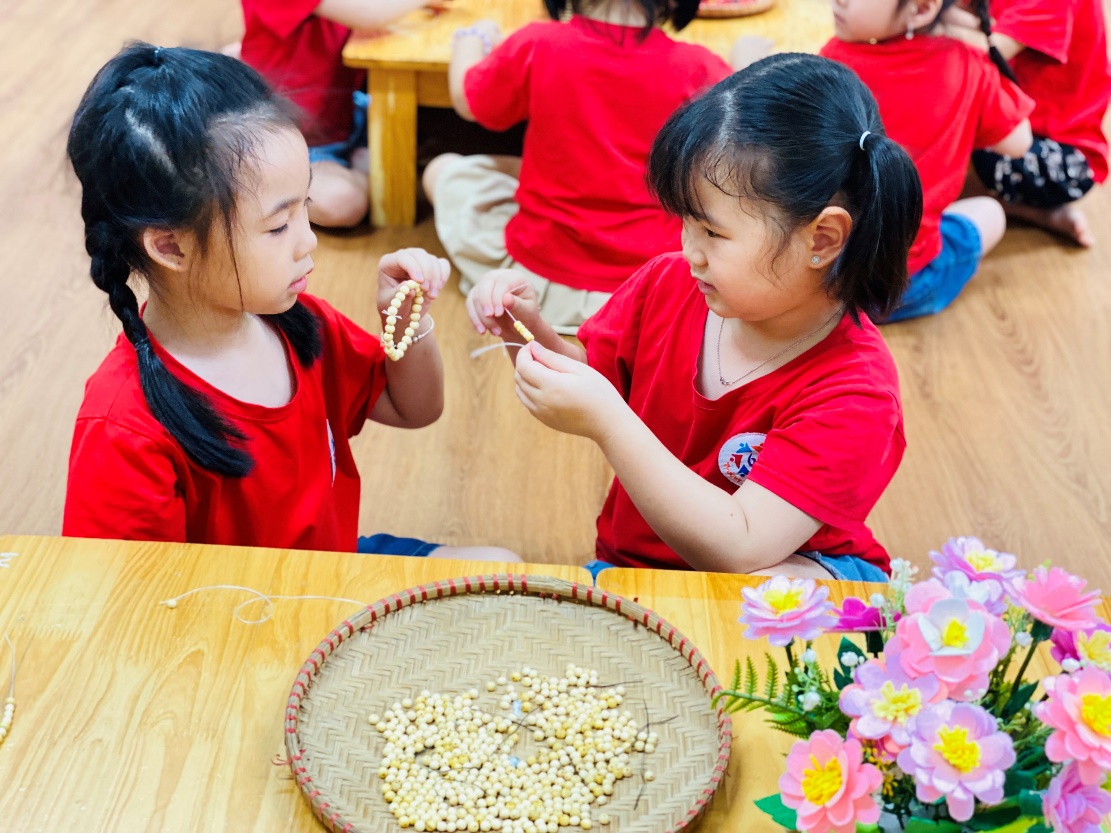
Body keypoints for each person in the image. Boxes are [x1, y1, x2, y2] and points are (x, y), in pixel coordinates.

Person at [466, 54, 921, 579]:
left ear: (821, 238)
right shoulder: (667, 283)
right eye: (684, 223)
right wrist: (526, 332)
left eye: (712, 233)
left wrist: (610, 425)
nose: (689, 251)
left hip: (778, 563)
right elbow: (594, 380)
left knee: (769, 589)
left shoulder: (855, 390)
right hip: (641, 563)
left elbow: (744, 544)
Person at [63, 44, 517, 562]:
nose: (308, 240)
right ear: (171, 246)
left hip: (328, 576)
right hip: (243, 627)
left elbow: (415, 409)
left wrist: (407, 323)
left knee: (501, 567)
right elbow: (129, 603)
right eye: (278, 226)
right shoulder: (124, 429)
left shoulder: (297, 326)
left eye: (307, 204)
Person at [423, 0, 768, 334]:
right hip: (651, 280)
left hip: (541, 270)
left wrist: (471, 39)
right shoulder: (697, 66)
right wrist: (748, 64)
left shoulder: (538, 43)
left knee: (442, 169)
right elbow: (744, 128)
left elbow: (466, 100)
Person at [820, 0, 1033, 321]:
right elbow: (1020, 143)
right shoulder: (968, 64)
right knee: (990, 212)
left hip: (819, 280)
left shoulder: (831, 60)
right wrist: (984, 57)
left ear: (922, 9)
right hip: (901, 286)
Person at [239, 0, 447, 228]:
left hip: (346, 112)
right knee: (342, 202)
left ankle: (372, 169)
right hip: (295, 142)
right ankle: (371, 173)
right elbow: (370, 13)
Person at [943, 0, 1111, 248]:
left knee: (945, 94)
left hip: (1063, 160)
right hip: (1023, 130)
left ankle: (1005, 204)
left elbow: (987, 56)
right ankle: (1017, 206)